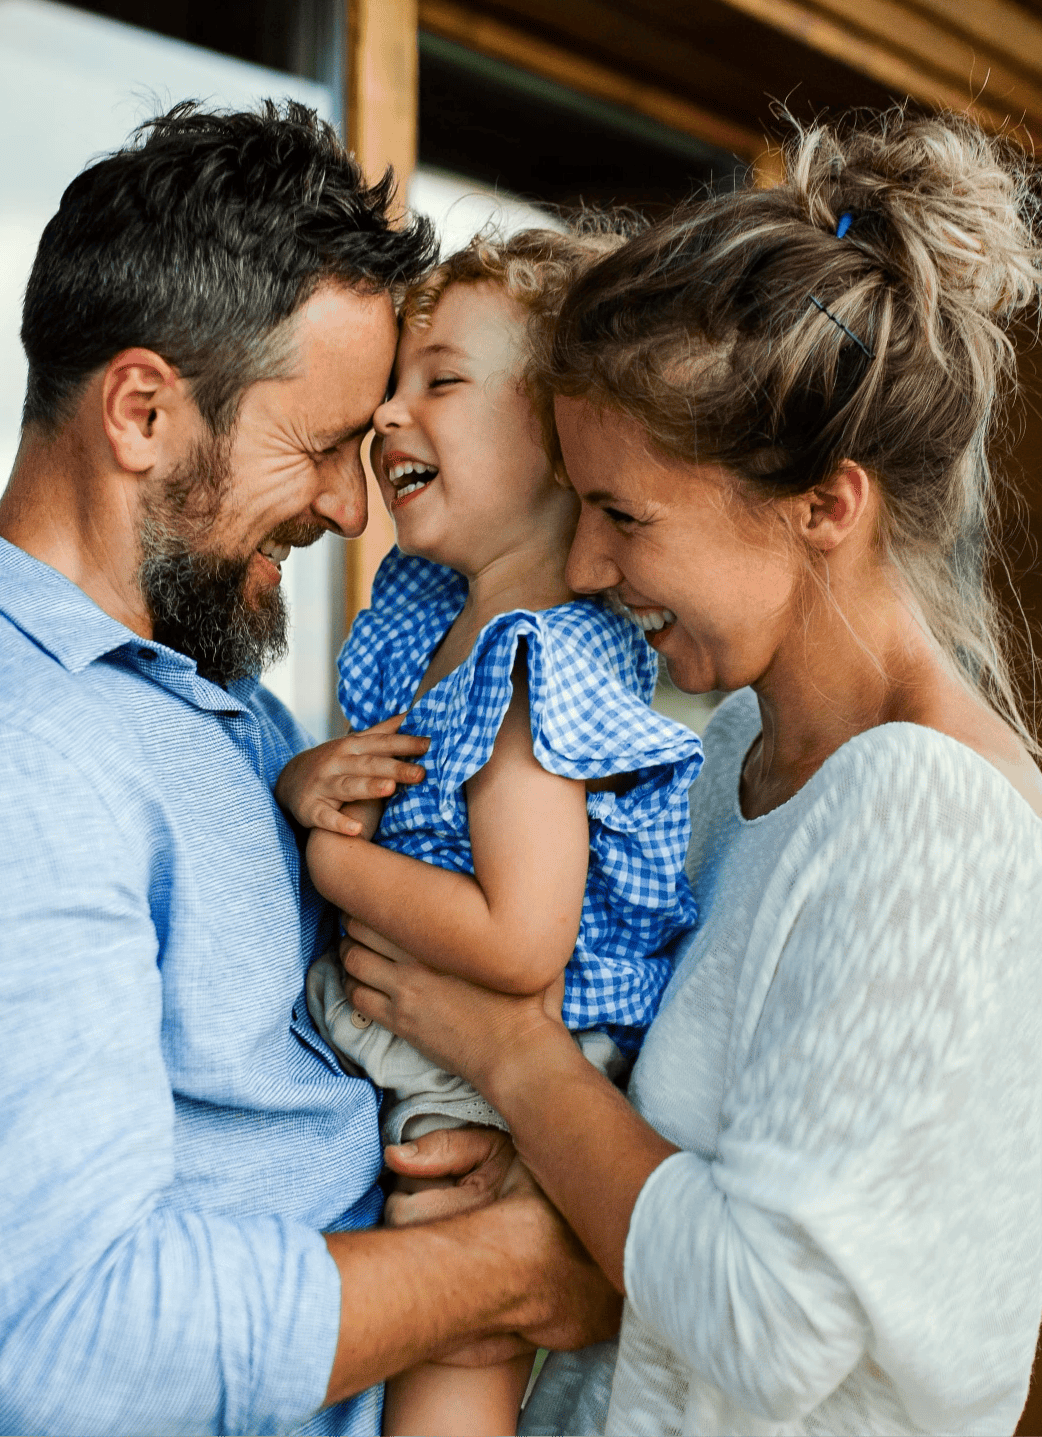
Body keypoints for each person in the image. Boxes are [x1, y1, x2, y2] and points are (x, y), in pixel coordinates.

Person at [0, 102, 617, 1437]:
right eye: (322, 443)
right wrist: (512, 1268)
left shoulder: (209, 701)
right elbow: (69, 1348)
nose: (351, 506)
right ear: (141, 412)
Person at [340, 108, 1042, 1435]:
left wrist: (510, 1059)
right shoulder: (722, 765)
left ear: (826, 505)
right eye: (578, 509)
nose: (587, 571)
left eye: (625, 519)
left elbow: (769, 1327)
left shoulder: (923, 810)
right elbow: (645, 1210)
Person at [278, 231, 703, 1437]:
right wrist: (314, 777)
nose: (387, 415)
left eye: (440, 382)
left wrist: (329, 859)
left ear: (559, 441)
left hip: (489, 1072)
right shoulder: (436, 624)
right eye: (392, 385)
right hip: (437, 1040)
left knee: (448, 1325)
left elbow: (521, 940)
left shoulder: (532, 662)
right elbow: (390, 775)